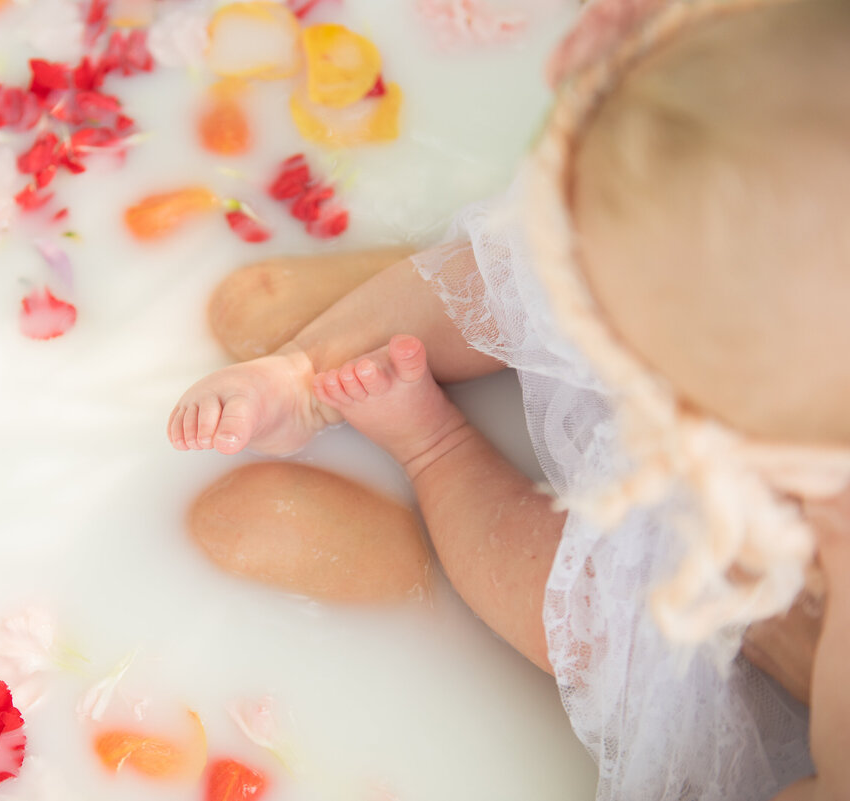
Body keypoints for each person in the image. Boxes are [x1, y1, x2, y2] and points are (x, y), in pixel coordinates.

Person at [166, 1, 850, 799]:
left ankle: (434, 449)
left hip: (747, 578)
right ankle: (306, 372)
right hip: (765, 310)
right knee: (525, 272)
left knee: (595, 627)